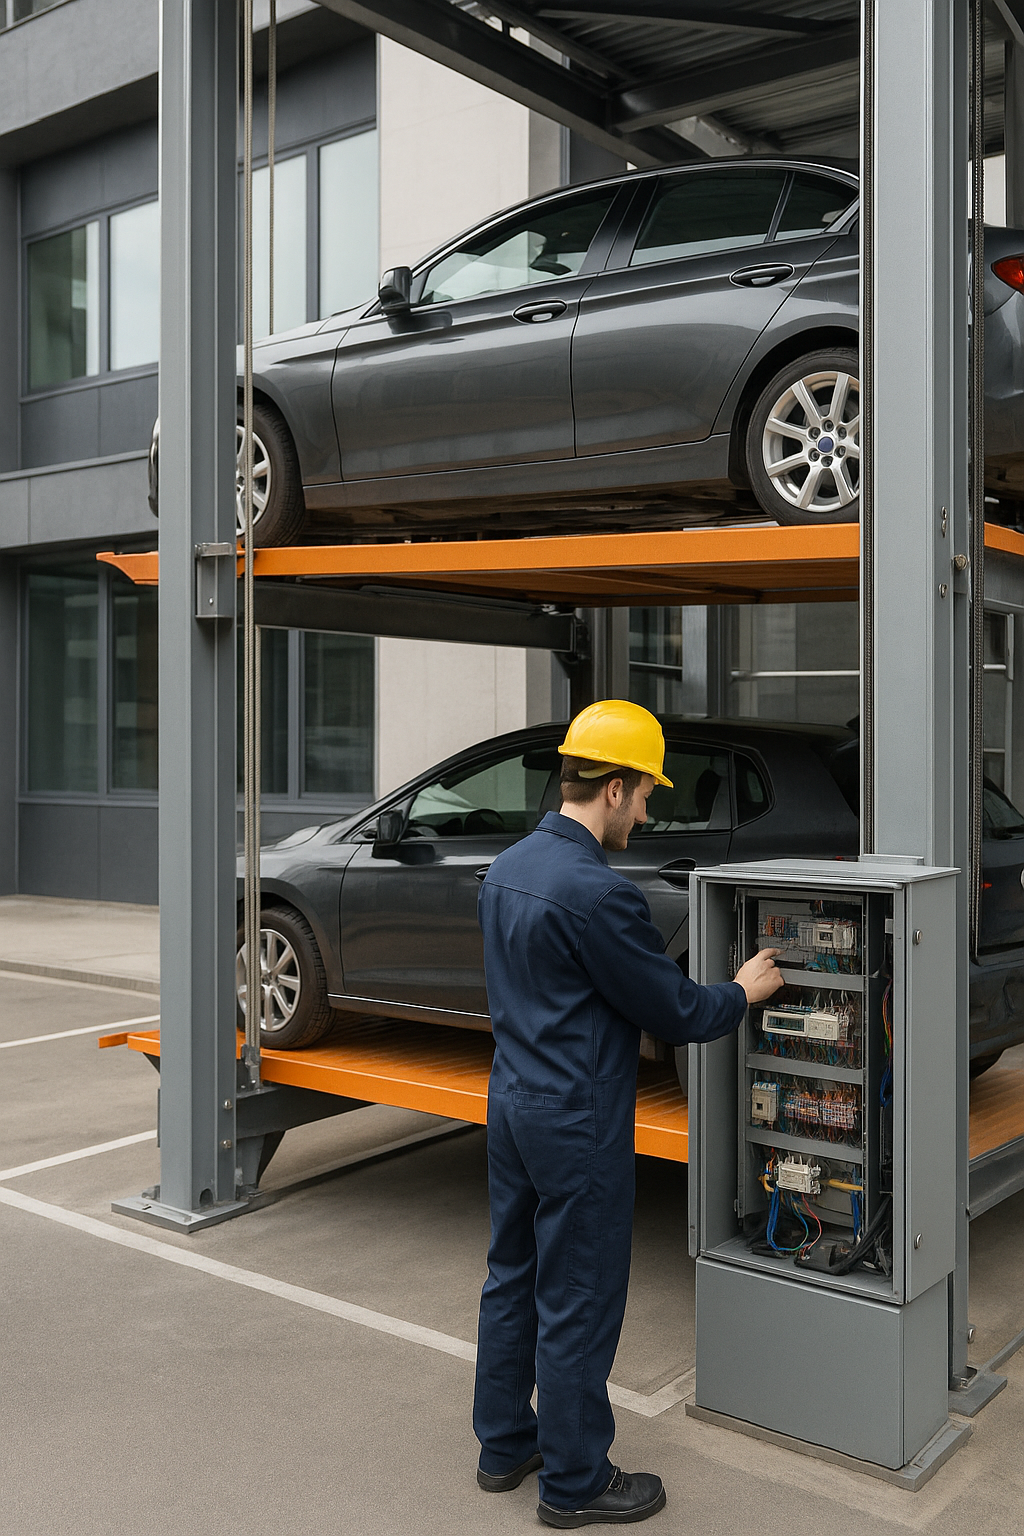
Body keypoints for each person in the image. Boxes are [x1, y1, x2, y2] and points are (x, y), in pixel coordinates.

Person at [472, 699, 783, 1528]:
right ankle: (574, 1485)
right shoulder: (598, 895)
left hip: (512, 1104)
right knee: (578, 1293)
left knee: (513, 1274)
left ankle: (505, 1443)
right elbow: (675, 1009)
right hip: (578, 1120)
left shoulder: (507, 868)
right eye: (645, 794)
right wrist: (741, 993)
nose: (646, 812)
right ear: (612, 787)